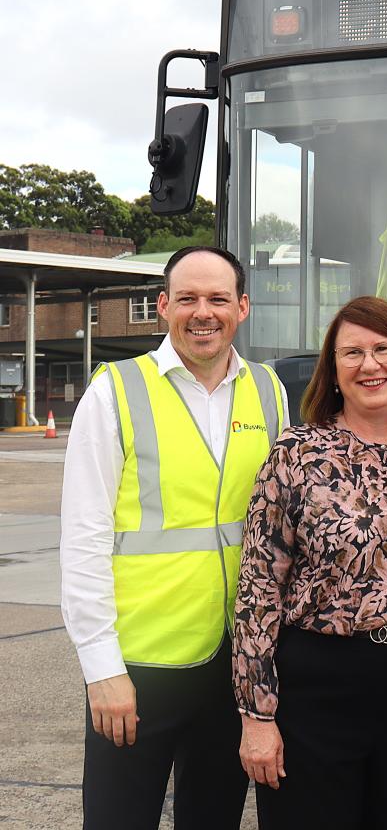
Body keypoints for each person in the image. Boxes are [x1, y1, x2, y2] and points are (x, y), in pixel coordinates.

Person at [232, 295, 387, 830]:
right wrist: (257, 716)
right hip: (315, 692)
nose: (369, 365)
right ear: (332, 370)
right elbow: (259, 588)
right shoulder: (295, 455)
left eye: (382, 349)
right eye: (351, 353)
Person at [60, 245, 288, 830]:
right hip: (140, 665)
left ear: (243, 308)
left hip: (234, 664)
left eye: (217, 298)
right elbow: (84, 540)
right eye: (187, 298)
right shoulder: (115, 390)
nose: (202, 312)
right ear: (163, 306)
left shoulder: (269, 390)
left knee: (212, 818)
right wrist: (100, 668)